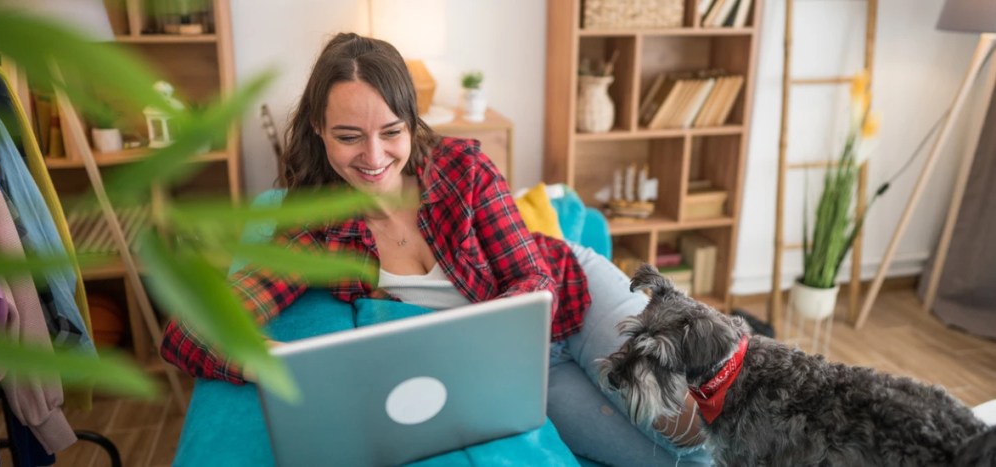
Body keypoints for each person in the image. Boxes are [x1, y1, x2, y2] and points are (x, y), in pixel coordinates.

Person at [161, 32, 710, 466]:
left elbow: (532, 277)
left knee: (692, 429)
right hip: (516, 373)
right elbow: (191, 330)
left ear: (411, 124)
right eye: (349, 136)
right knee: (666, 460)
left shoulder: (461, 168)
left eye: (391, 132)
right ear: (318, 129)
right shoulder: (316, 229)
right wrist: (270, 363)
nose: (374, 157)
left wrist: (493, 340)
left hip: (577, 295)